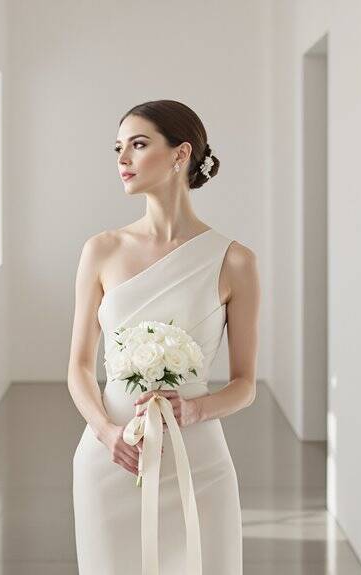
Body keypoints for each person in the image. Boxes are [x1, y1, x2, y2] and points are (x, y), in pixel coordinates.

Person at [68, 99, 260, 574]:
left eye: (138, 144)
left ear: (181, 153)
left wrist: (195, 409)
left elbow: (245, 385)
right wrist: (106, 433)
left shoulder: (235, 261)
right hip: (114, 456)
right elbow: (79, 367)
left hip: (199, 459)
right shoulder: (101, 250)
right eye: (118, 147)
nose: (123, 158)